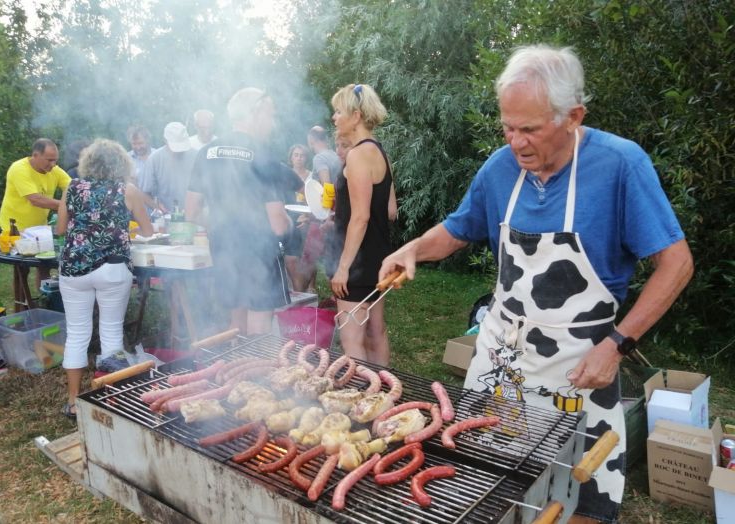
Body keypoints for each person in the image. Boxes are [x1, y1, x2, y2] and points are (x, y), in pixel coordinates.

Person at [379, 45, 693, 523]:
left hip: (582, 364)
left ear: (573, 116)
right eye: (507, 127)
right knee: (483, 488)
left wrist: (617, 344)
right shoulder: (500, 169)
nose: (516, 142)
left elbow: (677, 264)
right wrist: (413, 249)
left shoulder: (619, 165)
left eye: (530, 129)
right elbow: (458, 229)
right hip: (502, 356)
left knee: (582, 497)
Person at [56, 139, 152, 418]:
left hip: (74, 268)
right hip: (112, 269)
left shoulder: (72, 187)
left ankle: (74, 402)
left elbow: (61, 229)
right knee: (110, 331)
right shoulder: (128, 190)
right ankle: (113, 401)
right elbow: (146, 230)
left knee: (77, 334)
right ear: (122, 164)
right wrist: (123, 228)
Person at [186, 87, 294, 336]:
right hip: (261, 252)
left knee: (236, 318)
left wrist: (222, 223)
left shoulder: (207, 152)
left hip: (223, 248)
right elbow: (277, 224)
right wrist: (290, 222)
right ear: (254, 114)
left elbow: (191, 212)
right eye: (269, 115)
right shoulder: (263, 154)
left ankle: (237, 374)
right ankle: (258, 375)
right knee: (259, 317)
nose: (272, 123)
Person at [328, 84, 397, 366]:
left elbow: (361, 217)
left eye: (338, 111)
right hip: (379, 256)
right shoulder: (380, 152)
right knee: (376, 331)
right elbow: (391, 210)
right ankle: (382, 397)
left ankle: (360, 400)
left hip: (357, 261)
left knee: (352, 338)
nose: (334, 118)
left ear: (355, 116)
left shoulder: (356, 155)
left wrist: (343, 267)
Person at [0, 138, 71, 291]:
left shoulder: (54, 171)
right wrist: (65, 206)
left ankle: (44, 299)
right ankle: (23, 306)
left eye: (55, 161)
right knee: (21, 269)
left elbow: (74, 188)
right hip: (15, 228)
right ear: (35, 155)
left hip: (39, 229)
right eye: (49, 160)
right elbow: (36, 199)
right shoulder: (19, 169)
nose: (53, 164)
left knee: (44, 264)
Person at [138, 122, 197, 213]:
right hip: (166, 216)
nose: (179, 151)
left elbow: (207, 188)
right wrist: (156, 205)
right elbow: (144, 193)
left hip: (194, 215)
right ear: (165, 140)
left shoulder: (196, 156)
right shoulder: (154, 159)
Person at [283, 144, 315, 292]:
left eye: (301, 155)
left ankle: (310, 285)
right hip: (289, 215)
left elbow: (316, 199)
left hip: (306, 215)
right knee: (291, 256)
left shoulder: (311, 175)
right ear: (291, 157)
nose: (298, 158)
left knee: (308, 253)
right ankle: (294, 286)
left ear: (306, 158)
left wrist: (308, 216)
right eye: (296, 155)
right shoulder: (286, 174)